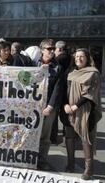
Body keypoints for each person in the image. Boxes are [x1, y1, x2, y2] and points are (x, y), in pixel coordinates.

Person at [63, 48, 102, 180]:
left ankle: (89, 169)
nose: (78, 59)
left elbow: (90, 94)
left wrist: (75, 106)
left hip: (86, 111)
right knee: (69, 136)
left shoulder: (93, 73)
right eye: (77, 56)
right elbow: (65, 91)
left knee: (86, 138)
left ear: (87, 58)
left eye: (82, 57)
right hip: (69, 110)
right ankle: (70, 164)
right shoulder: (70, 73)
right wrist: (66, 105)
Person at [34, 39, 63, 171]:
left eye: (53, 49)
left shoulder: (58, 67)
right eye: (49, 48)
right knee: (32, 133)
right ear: (41, 50)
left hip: (48, 107)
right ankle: (30, 158)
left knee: (45, 136)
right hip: (33, 105)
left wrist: (50, 106)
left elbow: (58, 88)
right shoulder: (33, 63)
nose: (52, 51)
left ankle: (42, 160)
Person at [50, 40, 72, 143]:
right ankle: (66, 135)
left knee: (54, 114)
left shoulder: (59, 59)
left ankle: (53, 137)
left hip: (61, 88)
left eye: (54, 49)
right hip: (68, 89)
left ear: (59, 49)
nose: (53, 51)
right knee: (65, 114)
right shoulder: (71, 57)